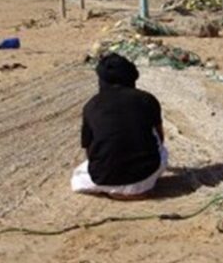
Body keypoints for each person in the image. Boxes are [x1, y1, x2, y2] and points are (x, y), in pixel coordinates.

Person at [71, 53, 168, 198]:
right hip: (145, 176)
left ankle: (114, 190)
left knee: (78, 176)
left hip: (104, 178)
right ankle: (138, 189)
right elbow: (160, 138)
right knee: (163, 151)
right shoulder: (147, 99)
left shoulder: (91, 105)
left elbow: (88, 147)